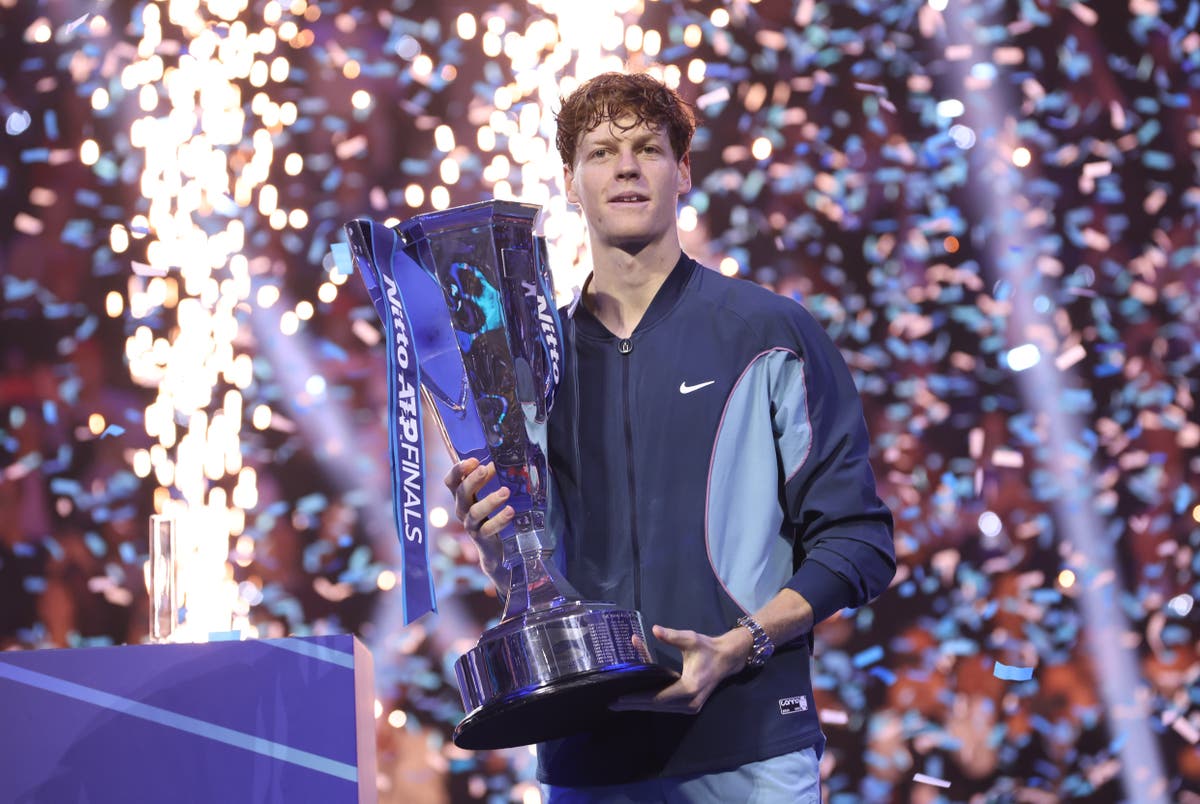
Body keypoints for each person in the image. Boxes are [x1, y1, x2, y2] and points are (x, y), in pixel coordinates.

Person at [445, 71, 896, 802]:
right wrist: (502, 546)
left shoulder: (767, 332)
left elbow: (859, 543)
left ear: (682, 171)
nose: (625, 166)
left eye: (646, 148)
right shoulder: (527, 365)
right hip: (587, 760)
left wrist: (738, 646)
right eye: (600, 152)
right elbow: (534, 570)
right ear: (569, 182)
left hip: (748, 753)